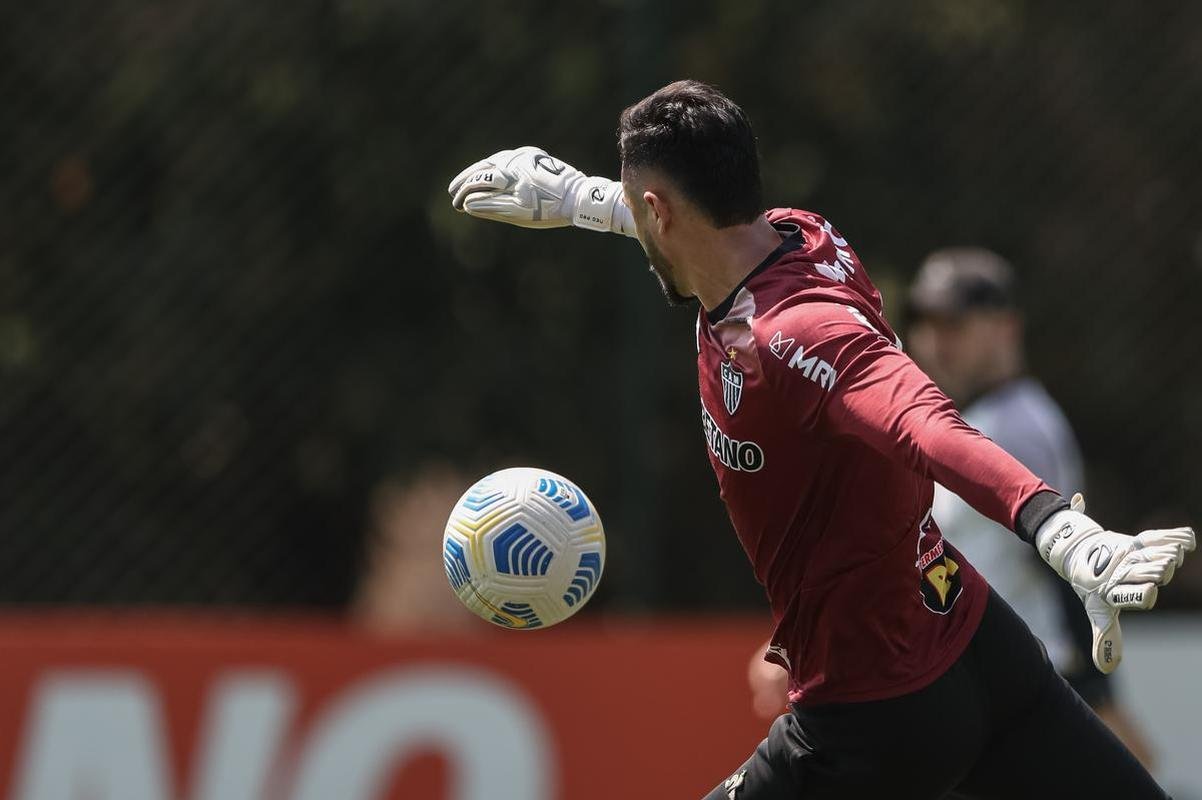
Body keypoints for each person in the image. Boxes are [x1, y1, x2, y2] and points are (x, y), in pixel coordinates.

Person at [446, 80, 1194, 799]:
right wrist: (578, 198)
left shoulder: (792, 335)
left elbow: (922, 420)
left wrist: (1058, 529)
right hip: (975, 641)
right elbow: (683, 223)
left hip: (876, 710)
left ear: (658, 210)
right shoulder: (801, 233)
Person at [906, 248, 1156, 766]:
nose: (936, 341)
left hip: (1031, 690)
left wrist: (1097, 699)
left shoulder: (1015, 424)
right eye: (926, 323)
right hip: (995, 692)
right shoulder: (975, 420)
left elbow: (1065, 568)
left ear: (1006, 327)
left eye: (955, 323)